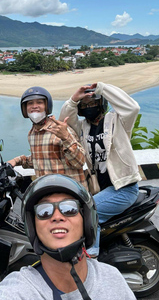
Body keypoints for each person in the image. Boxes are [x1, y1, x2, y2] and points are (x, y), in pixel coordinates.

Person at [0, 174, 136, 300]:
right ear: (33, 227)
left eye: (69, 208)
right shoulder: (16, 292)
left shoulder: (111, 278)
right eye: (44, 211)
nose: (57, 217)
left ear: (87, 220)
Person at [59, 82, 141, 256]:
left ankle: (92, 256)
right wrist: (74, 100)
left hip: (123, 188)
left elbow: (132, 107)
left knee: (89, 210)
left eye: (93, 103)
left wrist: (102, 88)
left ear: (101, 104)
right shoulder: (83, 128)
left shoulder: (117, 121)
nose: (89, 107)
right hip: (102, 189)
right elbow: (64, 121)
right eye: (85, 105)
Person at [7, 86, 87, 188]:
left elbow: (80, 162)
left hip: (69, 192)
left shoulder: (60, 129)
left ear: (47, 106)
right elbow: (41, 159)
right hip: (47, 191)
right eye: (30, 103)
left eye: (39, 102)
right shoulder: (32, 134)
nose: (34, 106)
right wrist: (16, 161)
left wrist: (66, 138)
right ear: (25, 108)